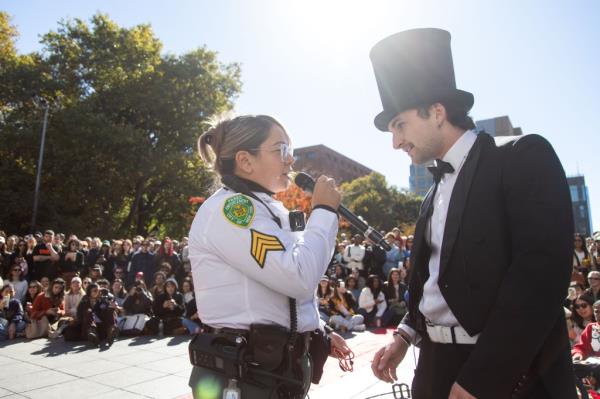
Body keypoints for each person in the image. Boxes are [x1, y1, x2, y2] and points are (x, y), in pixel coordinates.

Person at [368, 28, 575, 398]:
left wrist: (483, 377)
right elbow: (434, 281)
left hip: (509, 373)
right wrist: (405, 335)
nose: (395, 141)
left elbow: (539, 277)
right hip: (434, 367)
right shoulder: (432, 194)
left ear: (436, 112)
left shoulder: (522, 156)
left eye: (400, 125)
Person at [188, 114, 351, 399]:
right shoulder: (233, 210)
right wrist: (324, 212)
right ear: (246, 161)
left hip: (273, 370)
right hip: (245, 376)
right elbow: (298, 276)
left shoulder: (268, 209)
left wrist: (317, 329)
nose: (291, 161)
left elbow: (273, 295)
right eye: (281, 150)